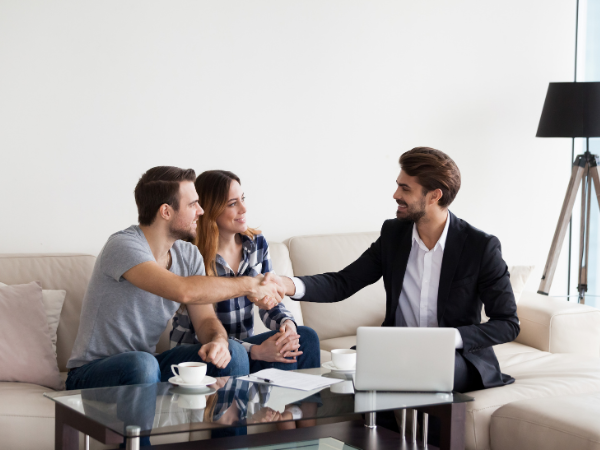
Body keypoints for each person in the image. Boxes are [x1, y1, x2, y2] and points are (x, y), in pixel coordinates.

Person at [273, 147, 520, 394]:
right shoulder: (394, 234)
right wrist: (287, 285)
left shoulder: (480, 247)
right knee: (346, 372)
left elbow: (507, 323)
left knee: (424, 371)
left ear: (434, 196)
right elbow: (344, 282)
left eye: (405, 189)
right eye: (398, 185)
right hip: (396, 351)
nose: (395, 194)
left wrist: (447, 339)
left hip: (455, 357)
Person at [66, 166, 284, 393]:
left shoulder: (188, 255)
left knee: (233, 352)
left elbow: (205, 320)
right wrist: (250, 285)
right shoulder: (123, 246)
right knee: (142, 363)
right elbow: (183, 290)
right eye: (192, 205)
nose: (201, 211)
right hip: (91, 372)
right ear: (166, 212)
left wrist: (218, 339)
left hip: (148, 365)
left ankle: (232, 428)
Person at [170, 170, 320, 376]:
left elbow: (270, 302)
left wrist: (286, 325)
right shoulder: (190, 254)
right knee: (253, 351)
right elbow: (202, 330)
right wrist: (256, 351)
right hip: (202, 351)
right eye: (233, 204)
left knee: (304, 338)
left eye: (243, 199)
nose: (244, 208)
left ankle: (296, 410)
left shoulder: (256, 244)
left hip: (242, 348)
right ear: (210, 210)